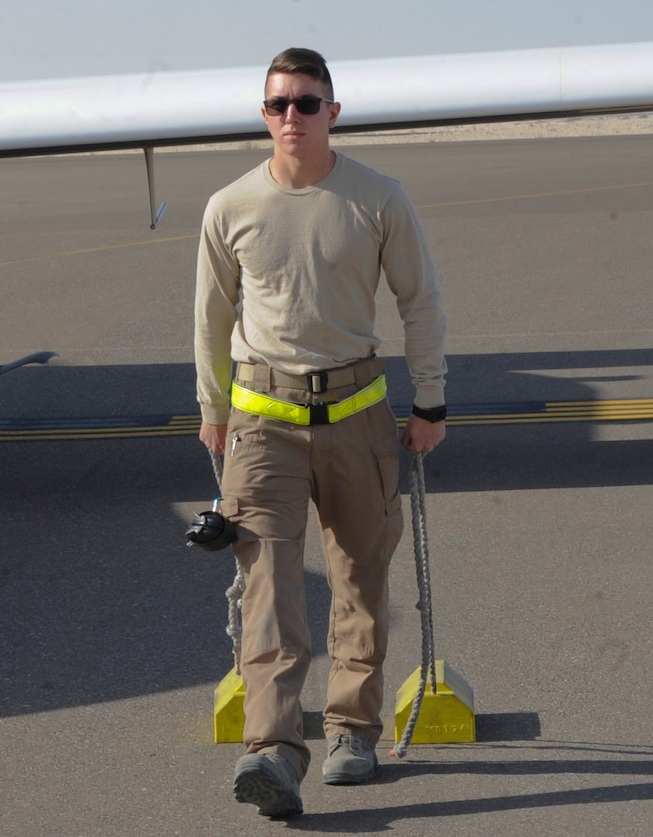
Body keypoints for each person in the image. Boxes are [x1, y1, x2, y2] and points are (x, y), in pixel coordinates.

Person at [194, 47, 449, 819]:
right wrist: (211, 409)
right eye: (278, 105)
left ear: (334, 111)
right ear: (263, 114)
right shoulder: (229, 206)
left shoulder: (378, 198)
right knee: (269, 586)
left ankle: (351, 729)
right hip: (262, 419)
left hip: (358, 415)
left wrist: (428, 403)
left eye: (307, 103)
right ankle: (271, 748)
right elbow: (210, 319)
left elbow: (420, 300)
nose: (292, 118)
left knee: (358, 580)